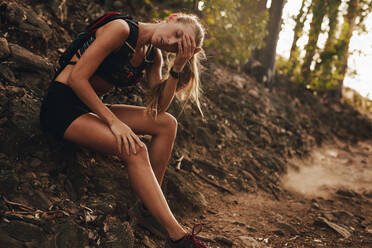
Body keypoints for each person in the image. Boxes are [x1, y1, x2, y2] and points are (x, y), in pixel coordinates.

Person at [40, 12, 208, 248]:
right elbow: (77, 78)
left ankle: (147, 210)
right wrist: (114, 122)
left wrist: (178, 66)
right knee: (136, 149)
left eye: (177, 47)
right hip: (62, 107)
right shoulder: (121, 30)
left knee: (167, 123)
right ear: (171, 19)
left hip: (89, 108)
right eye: (176, 34)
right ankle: (178, 238)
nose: (170, 42)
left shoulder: (153, 56)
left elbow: (158, 108)